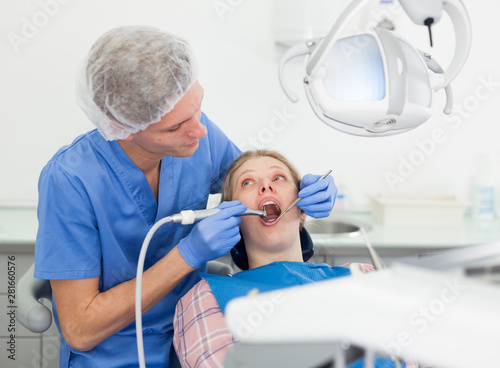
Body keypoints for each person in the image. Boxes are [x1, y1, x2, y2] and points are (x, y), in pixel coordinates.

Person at [33, 26, 337, 367]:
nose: (200, 131)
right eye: (175, 127)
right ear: (125, 129)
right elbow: (80, 329)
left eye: (198, 109)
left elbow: (248, 180)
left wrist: (299, 189)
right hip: (113, 355)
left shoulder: (198, 135)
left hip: (188, 339)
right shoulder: (71, 180)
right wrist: (187, 254)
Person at [173, 150, 417, 368]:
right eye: (247, 182)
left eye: (278, 178)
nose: (266, 186)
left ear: (302, 209)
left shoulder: (364, 276)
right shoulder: (205, 298)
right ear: (231, 217)